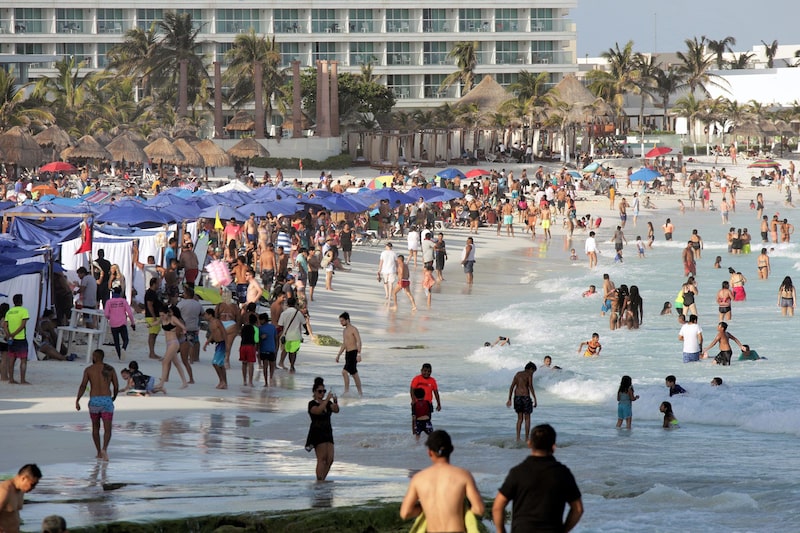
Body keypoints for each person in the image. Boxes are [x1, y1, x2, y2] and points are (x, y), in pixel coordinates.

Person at [492, 424, 583, 533]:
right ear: (554, 446)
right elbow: (578, 509)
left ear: (529, 443)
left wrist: (500, 530)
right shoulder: (563, 473)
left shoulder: (518, 472)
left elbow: (498, 506)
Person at [400, 430, 485, 532]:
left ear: (429, 452)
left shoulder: (418, 479)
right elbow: (479, 509)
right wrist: (462, 510)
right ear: (451, 449)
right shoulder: (463, 476)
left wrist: (424, 508)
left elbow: (405, 513)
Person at [76, 349, 119, 460]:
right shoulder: (110, 369)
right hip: (106, 401)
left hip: (94, 401)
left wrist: (77, 400)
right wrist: (114, 396)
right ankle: (104, 448)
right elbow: (116, 385)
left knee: (95, 428)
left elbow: (83, 386)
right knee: (107, 429)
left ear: (95, 357)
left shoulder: (89, 370)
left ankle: (99, 452)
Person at [306, 377, 339, 481]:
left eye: (324, 391)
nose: (322, 393)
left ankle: (322, 479)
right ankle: (319, 479)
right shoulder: (312, 403)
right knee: (322, 458)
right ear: (314, 392)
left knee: (330, 459)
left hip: (328, 432)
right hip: (317, 432)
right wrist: (327, 400)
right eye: (320, 391)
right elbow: (318, 411)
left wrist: (335, 401)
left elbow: (336, 410)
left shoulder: (327, 403)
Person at [0, 464, 42, 533]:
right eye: (32, 484)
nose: (33, 488)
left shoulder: (21, 491)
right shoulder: (4, 491)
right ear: (23, 478)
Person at [157, 306, 189, 389]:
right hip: (169, 343)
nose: (162, 316)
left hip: (174, 343)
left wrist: (184, 331)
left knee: (165, 362)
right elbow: (157, 322)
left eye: (163, 315)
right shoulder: (163, 319)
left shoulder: (173, 319)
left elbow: (182, 326)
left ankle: (161, 383)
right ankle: (185, 382)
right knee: (177, 363)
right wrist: (149, 325)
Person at [506, 362, 537, 441]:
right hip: (526, 398)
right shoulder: (529, 374)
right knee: (527, 419)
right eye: (533, 371)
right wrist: (535, 398)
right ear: (530, 369)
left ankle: (518, 438)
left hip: (517, 397)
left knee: (520, 419)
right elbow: (530, 386)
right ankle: (527, 438)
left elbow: (512, 387)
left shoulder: (518, 374)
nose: (533, 373)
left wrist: (509, 399)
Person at [103, 286, 135, 360]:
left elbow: (106, 314)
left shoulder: (109, 302)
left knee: (116, 341)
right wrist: (132, 323)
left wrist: (110, 318)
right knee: (126, 339)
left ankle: (120, 356)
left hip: (113, 324)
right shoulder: (123, 301)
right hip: (122, 323)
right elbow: (130, 313)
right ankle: (123, 348)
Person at [335, 312, 363, 396]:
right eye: (340, 321)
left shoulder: (354, 329)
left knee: (345, 372)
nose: (341, 323)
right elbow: (344, 344)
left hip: (353, 353)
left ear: (347, 320)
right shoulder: (344, 331)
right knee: (354, 374)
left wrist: (359, 354)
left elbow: (359, 341)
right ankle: (359, 392)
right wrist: (339, 355)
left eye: (342, 321)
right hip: (347, 354)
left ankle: (347, 391)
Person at [5, 294, 30, 384]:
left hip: (11, 340)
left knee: (12, 359)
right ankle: (22, 380)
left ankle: (11, 379)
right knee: (23, 359)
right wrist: (15, 334)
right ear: (21, 301)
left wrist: (9, 335)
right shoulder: (24, 311)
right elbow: (23, 325)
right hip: (21, 338)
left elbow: (5, 325)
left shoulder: (9, 312)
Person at [278, 298, 304, 373]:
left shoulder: (284, 313)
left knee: (287, 350)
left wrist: (280, 334)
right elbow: (304, 323)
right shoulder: (298, 313)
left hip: (286, 336)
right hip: (296, 336)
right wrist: (307, 332)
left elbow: (280, 326)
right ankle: (292, 365)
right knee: (293, 352)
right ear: (295, 304)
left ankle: (288, 364)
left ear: (287, 304)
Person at [203, 309, 227, 389]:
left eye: (206, 314)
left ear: (210, 315)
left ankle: (222, 381)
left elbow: (224, 332)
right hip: (218, 344)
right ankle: (224, 382)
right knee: (220, 365)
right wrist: (206, 343)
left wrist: (227, 344)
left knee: (215, 363)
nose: (205, 316)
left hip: (222, 343)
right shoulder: (210, 324)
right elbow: (213, 334)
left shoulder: (217, 322)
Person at [143, 277, 162, 360]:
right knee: (152, 334)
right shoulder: (150, 293)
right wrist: (154, 316)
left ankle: (152, 352)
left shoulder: (153, 293)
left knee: (154, 334)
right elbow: (149, 305)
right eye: (158, 283)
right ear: (154, 283)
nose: (159, 285)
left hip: (154, 315)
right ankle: (152, 353)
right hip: (152, 316)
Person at [257, 313, 277, 386]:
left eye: (260, 320)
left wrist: (258, 350)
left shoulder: (260, 328)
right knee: (271, 365)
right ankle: (270, 378)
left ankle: (266, 381)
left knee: (265, 365)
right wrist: (276, 348)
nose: (259, 321)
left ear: (264, 320)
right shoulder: (273, 327)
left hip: (264, 349)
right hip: (272, 348)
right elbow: (276, 338)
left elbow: (258, 340)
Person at [239, 314, 258, 387]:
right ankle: (250, 381)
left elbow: (241, 335)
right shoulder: (255, 328)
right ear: (256, 321)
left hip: (243, 346)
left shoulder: (244, 327)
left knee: (244, 363)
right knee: (250, 364)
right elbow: (256, 339)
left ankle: (244, 380)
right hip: (250, 346)